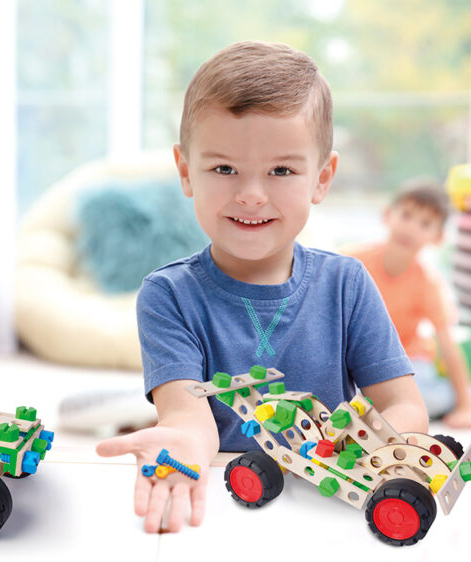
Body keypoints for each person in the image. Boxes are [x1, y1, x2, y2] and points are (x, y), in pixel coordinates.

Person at [95, 41, 427, 533]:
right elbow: (188, 415)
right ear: (186, 171)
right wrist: (182, 442)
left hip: (330, 504)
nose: (251, 194)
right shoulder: (168, 296)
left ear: (322, 177)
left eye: (281, 170)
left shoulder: (347, 284)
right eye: (224, 168)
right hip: (228, 508)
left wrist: (367, 449)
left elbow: (403, 403)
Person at [346, 180, 471, 428]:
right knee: (356, 398)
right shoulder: (353, 262)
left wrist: (466, 406)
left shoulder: (428, 283)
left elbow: (448, 345)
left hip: (408, 361)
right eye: (406, 216)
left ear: (437, 238)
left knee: (413, 399)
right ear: (388, 216)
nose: (411, 228)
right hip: (363, 359)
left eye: (424, 224)